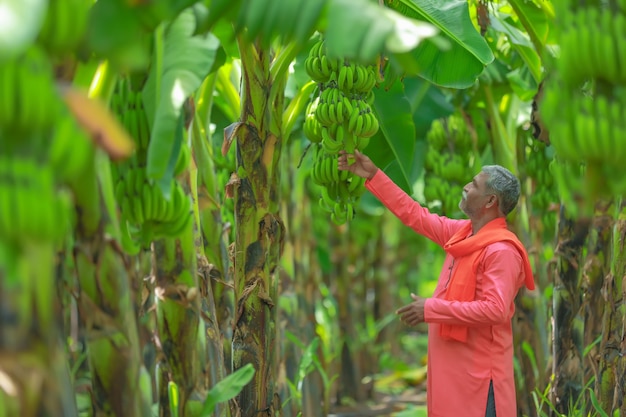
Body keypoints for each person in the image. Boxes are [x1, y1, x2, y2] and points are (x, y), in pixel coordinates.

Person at [338, 150, 535, 417]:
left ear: (490, 200)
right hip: (453, 374)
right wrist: (373, 175)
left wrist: (432, 309)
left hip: (479, 381)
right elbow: (414, 215)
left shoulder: (501, 251)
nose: (466, 186)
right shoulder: (462, 233)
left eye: (474, 184)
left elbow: (495, 310)